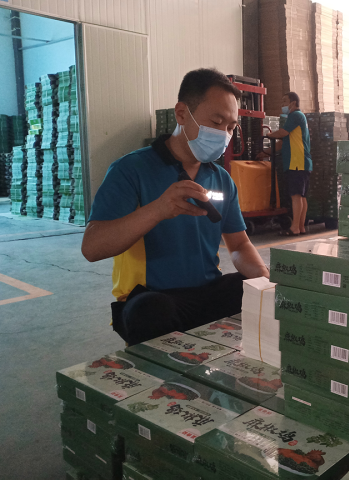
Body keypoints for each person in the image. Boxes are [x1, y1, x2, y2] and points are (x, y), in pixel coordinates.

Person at [81, 68, 269, 345]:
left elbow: (239, 245)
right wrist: (157, 210)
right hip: (152, 296)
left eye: (230, 128)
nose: (223, 135)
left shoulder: (221, 179)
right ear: (181, 114)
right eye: (216, 122)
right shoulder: (131, 170)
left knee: (247, 289)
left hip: (207, 292)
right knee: (150, 311)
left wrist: (265, 280)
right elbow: (92, 248)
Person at [259, 92, 312, 236]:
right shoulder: (297, 119)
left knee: (296, 196)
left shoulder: (295, 115)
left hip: (297, 162)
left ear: (293, 103)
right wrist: (264, 153)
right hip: (302, 162)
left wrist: (268, 135)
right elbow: (281, 144)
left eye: (284, 101)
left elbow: (282, 133)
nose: (282, 105)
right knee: (301, 196)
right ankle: (300, 227)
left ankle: (295, 228)